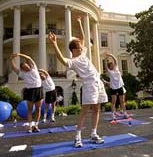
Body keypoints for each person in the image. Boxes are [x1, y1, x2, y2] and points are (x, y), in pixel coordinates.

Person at [48, 16, 108, 148]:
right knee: (85, 110)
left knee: (97, 109)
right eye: (80, 47)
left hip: (98, 82)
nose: (82, 47)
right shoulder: (73, 61)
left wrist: (80, 22)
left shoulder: (82, 53)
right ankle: (77, 137)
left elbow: (83, 37)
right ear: (74, 50)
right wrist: (54, 44)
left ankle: (93, 134)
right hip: (89, 85)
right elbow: (62, 60)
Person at [10, 53, 43, 133]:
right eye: (24, 67)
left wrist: (19, 54)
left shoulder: (34, 68)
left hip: (38, 90)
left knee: (38, 109)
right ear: (22, 69)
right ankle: (30, 127)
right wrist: (12, 59)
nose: (27, 67)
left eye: (27, 65)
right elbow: (14, 68)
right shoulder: (22, 74)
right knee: (30, 110)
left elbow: (29, 57)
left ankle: (36, 125)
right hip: (30, 91)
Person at [103, 52, 128, 120]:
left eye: (113, 65)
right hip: (113, 88)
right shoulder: (109, 72)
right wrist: (105, 59)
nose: (113, 65)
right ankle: (113, 114)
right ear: (109, 67)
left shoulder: (116, 69)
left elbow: (115, 60)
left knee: (122, 101)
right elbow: (105, 66)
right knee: (113, 102)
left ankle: (125, 113)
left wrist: (111, 55)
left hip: (120, 86)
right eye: (111, 65)